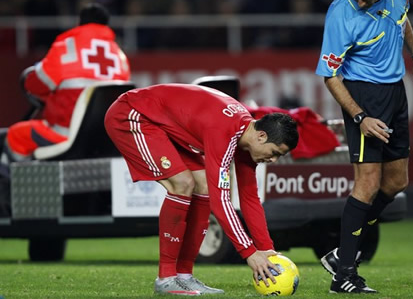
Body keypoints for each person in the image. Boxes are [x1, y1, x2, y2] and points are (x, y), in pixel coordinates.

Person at [104, 83, 299, 296]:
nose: (272, 159)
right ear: (261, 136)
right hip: (132, 113)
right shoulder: (224, 131)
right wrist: (249, 252)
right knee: (183, 183)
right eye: (274, 152)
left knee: (203, 185)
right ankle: (166, 279)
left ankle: (184, 276)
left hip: (162, 123)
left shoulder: (245, 137)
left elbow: (249, 197)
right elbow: (221, 202)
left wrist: (265, 248)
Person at [315, 0, 413, 294]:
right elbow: (330, 76)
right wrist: (360, 117)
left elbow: (401, 19)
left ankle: (341, 255)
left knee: (396, 182)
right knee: (367, 183)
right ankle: (344, 275)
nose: (359, 2)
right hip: (363, 97)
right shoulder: (340, 14)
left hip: (395, 91)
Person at [3, 3, 130, 162]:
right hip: (104, 140)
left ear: (80, 22)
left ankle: (11, 184)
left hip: (65, 135)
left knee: (15, 135)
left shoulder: (66, 48)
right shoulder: (120, 56)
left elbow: (34, 85)